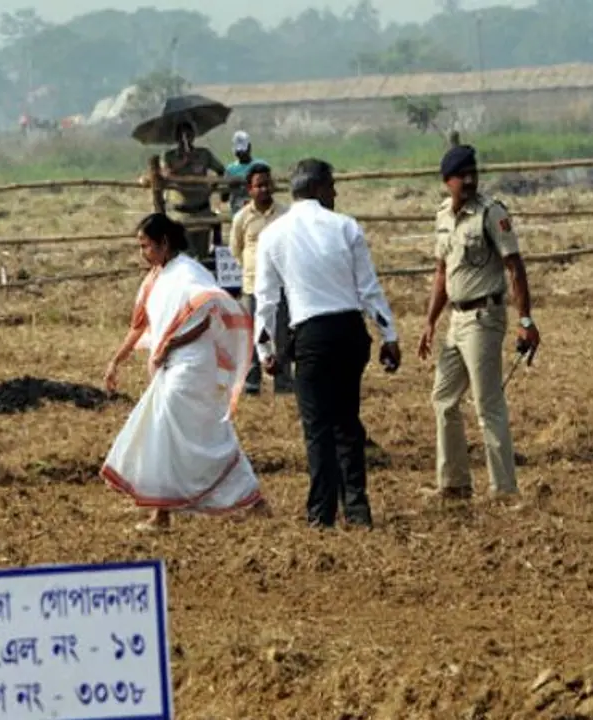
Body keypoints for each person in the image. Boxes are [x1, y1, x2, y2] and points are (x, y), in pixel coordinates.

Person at [253, 159, 402, 530]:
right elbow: (369, 289)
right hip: (349, 331)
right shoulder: (346, 226)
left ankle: (322, 513)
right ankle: (357, 507)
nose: (335, 193)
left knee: (317, 427)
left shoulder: (273, 234)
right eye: (332, 186)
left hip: (311, 336)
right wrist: (390, 336)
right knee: (347, 421)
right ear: (318, 188)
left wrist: (266, 352)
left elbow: (266, 301)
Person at [100, 212, 270, 533]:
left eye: (146, 246)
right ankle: (246, 500)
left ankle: (163, 513)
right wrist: (116, 361)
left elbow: (207, 312)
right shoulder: (154, 279)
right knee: (194, 435)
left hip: (192, 365)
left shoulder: (189, 274)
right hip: (169, 366)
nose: (142, 253)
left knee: (167, 431)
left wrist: (171, 343)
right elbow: (138, 328)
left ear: (164, 243)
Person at [418, 144, 541, 502]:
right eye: (463, 175)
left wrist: (526, 319)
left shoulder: (491, 213)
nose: (470, 180)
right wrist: (429, 322)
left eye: (474, 173)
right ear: (447, 181)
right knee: (443, 399)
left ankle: (503, 489)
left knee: (487, 403)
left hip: (484, 317)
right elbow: (442, 272)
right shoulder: (442, 216)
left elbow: (515, 266)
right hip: (456, 320)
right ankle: (454, 483)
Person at [229, 162, 292, 395]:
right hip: (252, 286)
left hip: (281, 285)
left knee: (282, 333)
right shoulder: (241, 218)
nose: (265, 189)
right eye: (259, 185)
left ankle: (284, 382)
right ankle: (251, 382)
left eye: (268, 184)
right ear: (249, 190)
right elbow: (236, 249)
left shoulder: (286, 214)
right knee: (251, 336)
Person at [161, 120, 225, 262]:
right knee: (183, 257)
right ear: (176, 137)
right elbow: (164, 176)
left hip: (202, 211)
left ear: (193, 135)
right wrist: (182, 163)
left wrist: (211, 188)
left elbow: (221, 170)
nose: (185, 137)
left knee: (201, 256)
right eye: (182, 134)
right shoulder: (169, 156)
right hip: (180, 215)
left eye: (188, 133)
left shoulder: (203, 154)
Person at [222, 130, 265, 215]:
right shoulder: (230, 170)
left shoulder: (261, 166)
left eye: (243, 150)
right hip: (238, 212)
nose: (241, 154)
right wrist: (229, 186)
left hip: (257, 212)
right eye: (238, 151)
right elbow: (224, 198)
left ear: (249, 147)